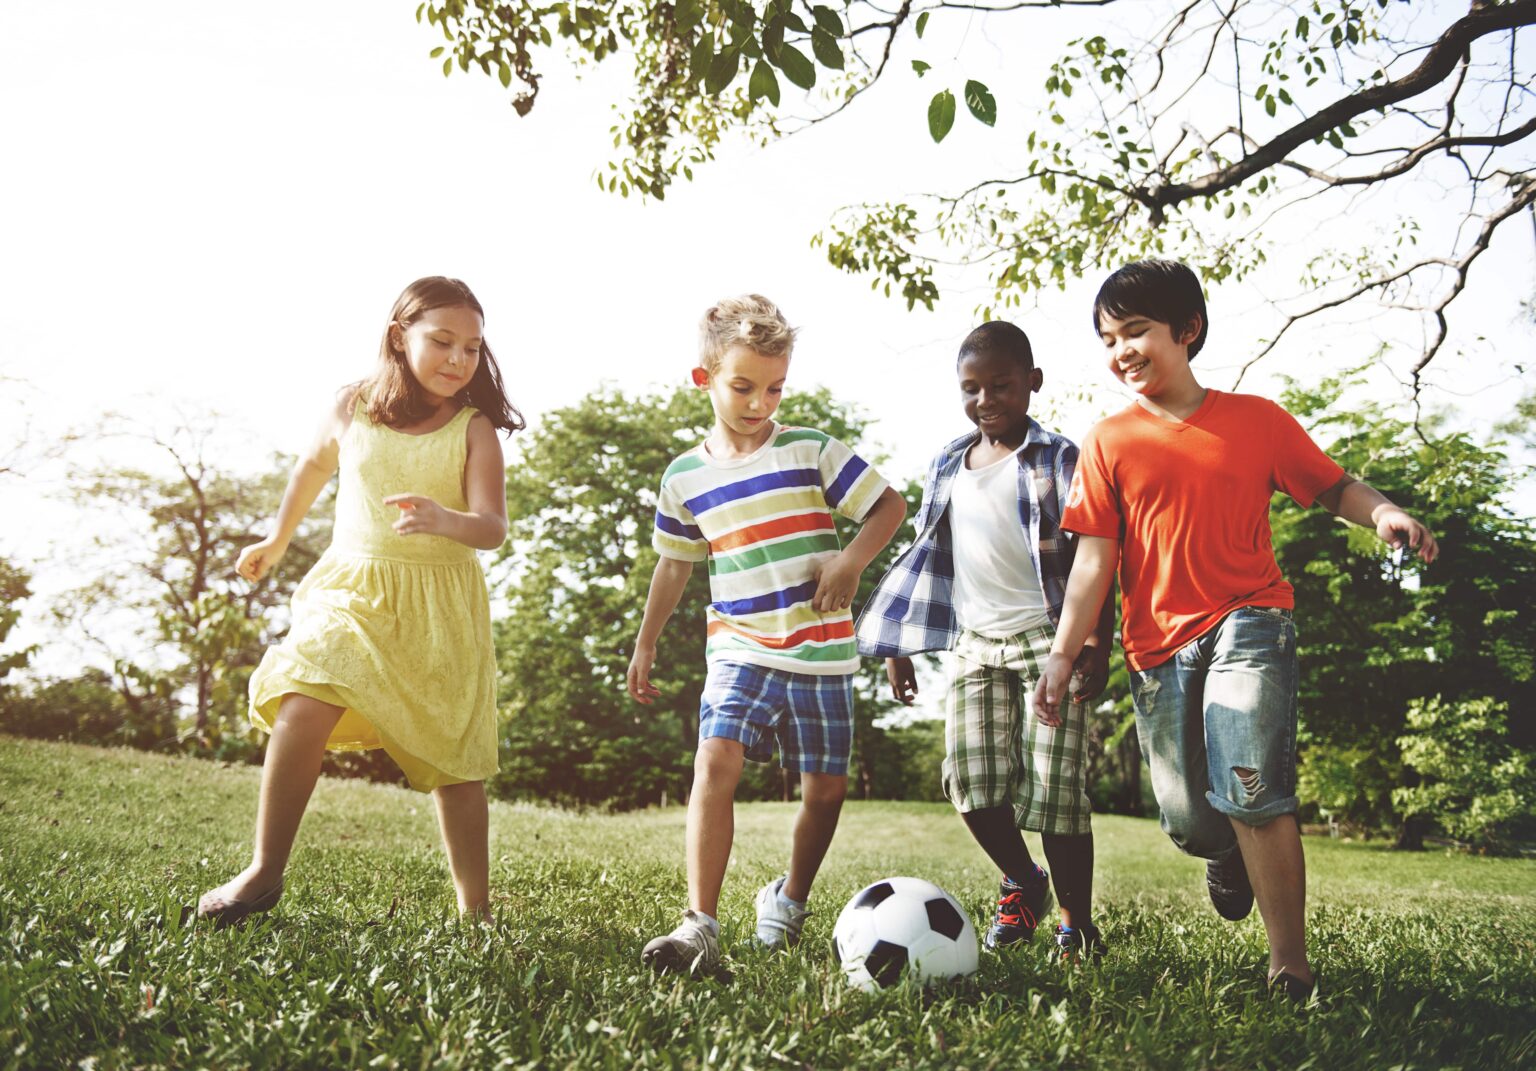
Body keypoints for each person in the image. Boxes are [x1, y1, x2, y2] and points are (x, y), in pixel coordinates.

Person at [1035, 259, 1439, 999]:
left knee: (1253, 784)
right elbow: (1093, 560)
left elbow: (1333, 484)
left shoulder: (1256, 420)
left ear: (1185, 331)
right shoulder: (1107, 441)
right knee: (1190, 818)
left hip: (1251, 617)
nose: (1120, 349)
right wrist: (1063, 652)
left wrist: (1382, 511)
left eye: (1135, 331)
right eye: (1108, 337)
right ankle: (1223, 851)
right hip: (1156, 648)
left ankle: (1290, 963)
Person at [198, 276, 522, 926]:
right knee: (303, 697)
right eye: (443, 342)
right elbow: (312, 469)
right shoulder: (352, 405)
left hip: (438, 605)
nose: (459, 360)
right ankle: (264, 872)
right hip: (351, 586)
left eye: (471, 348)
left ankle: (476, 910)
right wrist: (277, 537)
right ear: (401, 337)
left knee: (454, 760)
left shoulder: (473, 428)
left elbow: (491, 526)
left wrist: (445, 519)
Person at [627, 294, 907, 975]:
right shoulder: (684, 477)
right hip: (739, 642)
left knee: (825, 790)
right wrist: (646, 640)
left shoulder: (810, 449)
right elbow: (674, 564)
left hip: (822, 650)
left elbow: (889, 505)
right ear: (706, 379)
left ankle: (790, 898)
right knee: (714, 761)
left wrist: (849, 561)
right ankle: (700, 925)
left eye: (775, 386)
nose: (760, 402)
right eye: (743, 386)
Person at [857, 321, 1114, 960]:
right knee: (969, 783)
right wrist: (897, 643)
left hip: (1051, 640)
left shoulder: (1061, 459)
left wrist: (1096, 646)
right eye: (971, 388)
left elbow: (1097, 558)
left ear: (1032, 383)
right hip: (975, 644)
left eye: (1000, 385)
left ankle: (1075, 924)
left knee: (1057, 793)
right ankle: (1023, 880)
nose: (986, 400)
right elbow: (923, 552)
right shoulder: (948, 461)